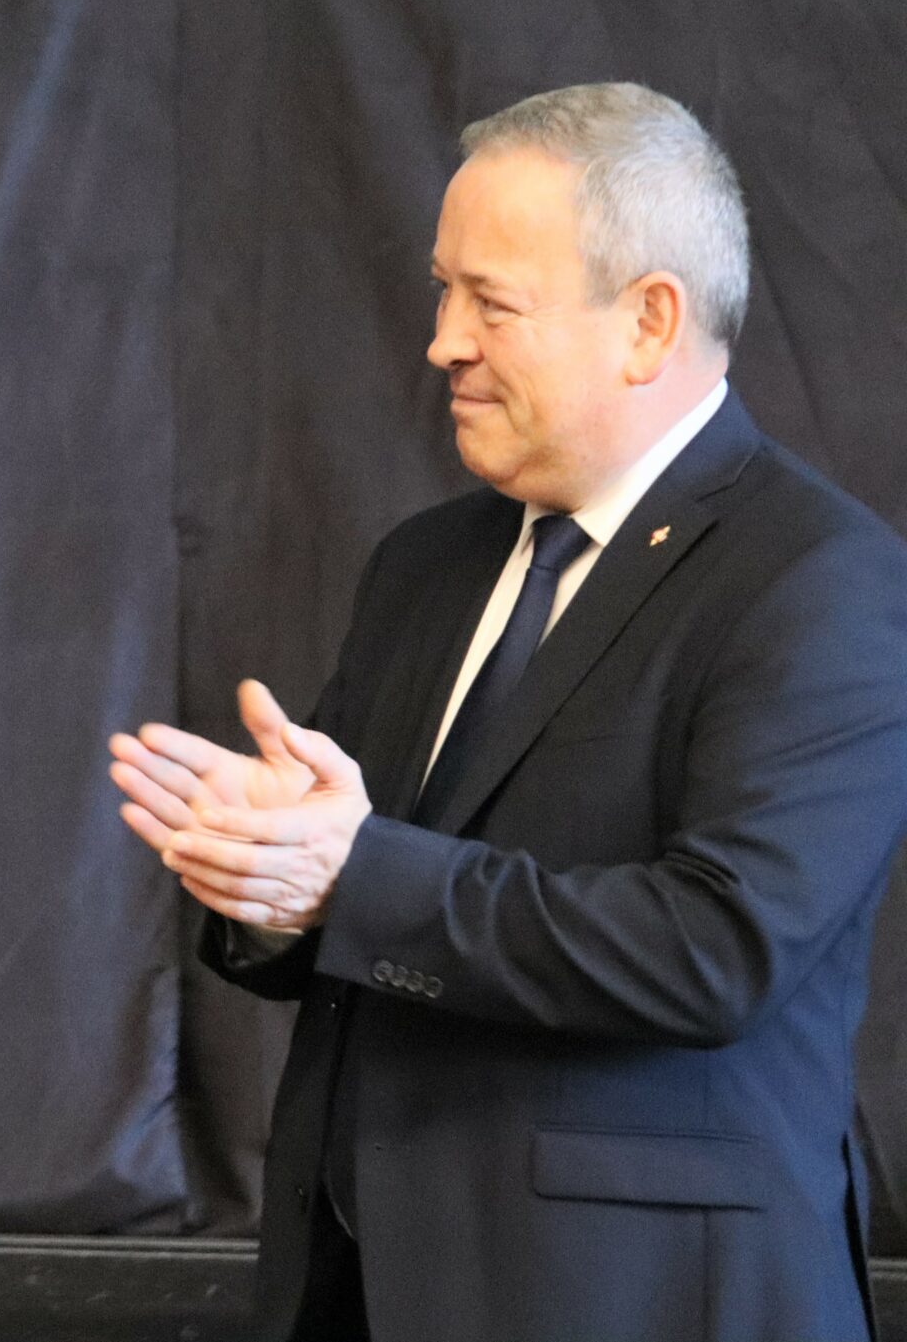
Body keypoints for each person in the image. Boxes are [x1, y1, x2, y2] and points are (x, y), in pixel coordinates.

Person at [110, 84, 907, 1342]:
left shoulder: (819, 582)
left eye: (490, 302)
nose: (443, 342)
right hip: (360, 1292)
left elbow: (716, 950)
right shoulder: (424, 565)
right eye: (442, 292)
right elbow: (358, 899)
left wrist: (351, 875)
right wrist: (267, 881)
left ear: (648, 322)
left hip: (639, 1304)